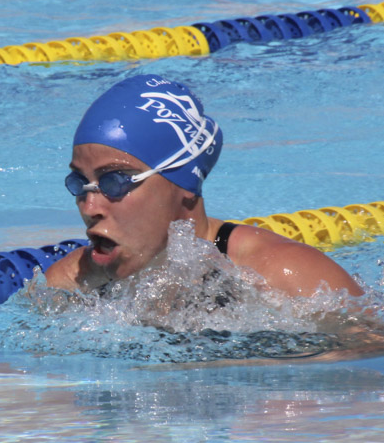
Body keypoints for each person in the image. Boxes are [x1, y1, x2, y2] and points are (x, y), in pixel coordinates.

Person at [43, 74, 364, 298]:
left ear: (183, 182)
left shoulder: (284, 276)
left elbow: (382, 371)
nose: (90, 207)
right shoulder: (69, 284)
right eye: (81, 182)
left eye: (115, 182)